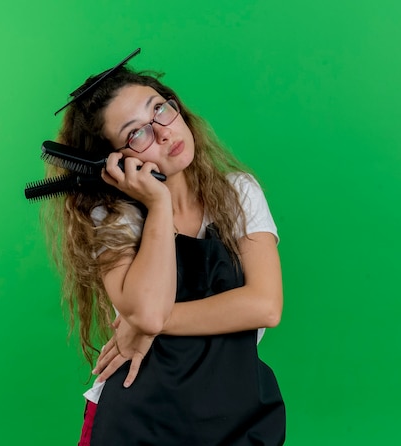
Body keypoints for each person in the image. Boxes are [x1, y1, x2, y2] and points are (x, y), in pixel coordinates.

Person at [43, 61, 286, 445]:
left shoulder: (238, 193)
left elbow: (265, 305)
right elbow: (149, 309)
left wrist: (141, 326)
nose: (162, 131)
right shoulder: (113, 219)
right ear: (115, 162)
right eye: (135, 133)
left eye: (159, 108)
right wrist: (158, 205)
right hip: (139, 420)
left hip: (235, 409)